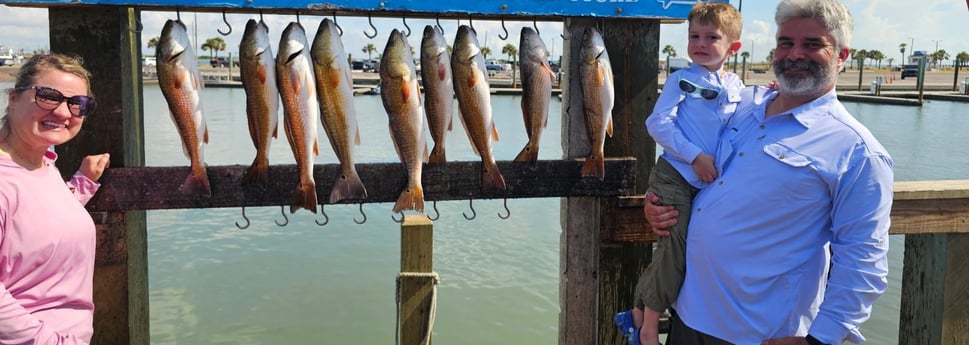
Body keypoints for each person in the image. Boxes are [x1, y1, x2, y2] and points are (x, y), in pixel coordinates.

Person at [643, 0, 894, 344]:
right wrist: (658, 203)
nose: (794, 54)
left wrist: (821, 339)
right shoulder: (744, 105)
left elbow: (863, 257)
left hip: (760, 332)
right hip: (689, 313)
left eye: (813, 44)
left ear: (842, 55)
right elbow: (694, 152)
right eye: (786, 43)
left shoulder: (856, 150)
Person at [616, 3, 745, 345]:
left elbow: (746, 116)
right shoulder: (682, 78)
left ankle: (640, 312)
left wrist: (773, 92)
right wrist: (696, 156)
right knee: (676, 248)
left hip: (702, 187)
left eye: (711, 37)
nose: (700, 43)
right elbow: (657, 122)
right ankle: (647, 328)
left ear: (733, 47)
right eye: (694, 36)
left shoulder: (735, 84)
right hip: (675, 176)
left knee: (684, 249)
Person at [0, 53, 110, 344]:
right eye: (48, 97)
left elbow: (36, 224)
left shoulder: (42, 163)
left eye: (79, 104)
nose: (64, 113)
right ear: (13, 98)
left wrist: (81, 184)